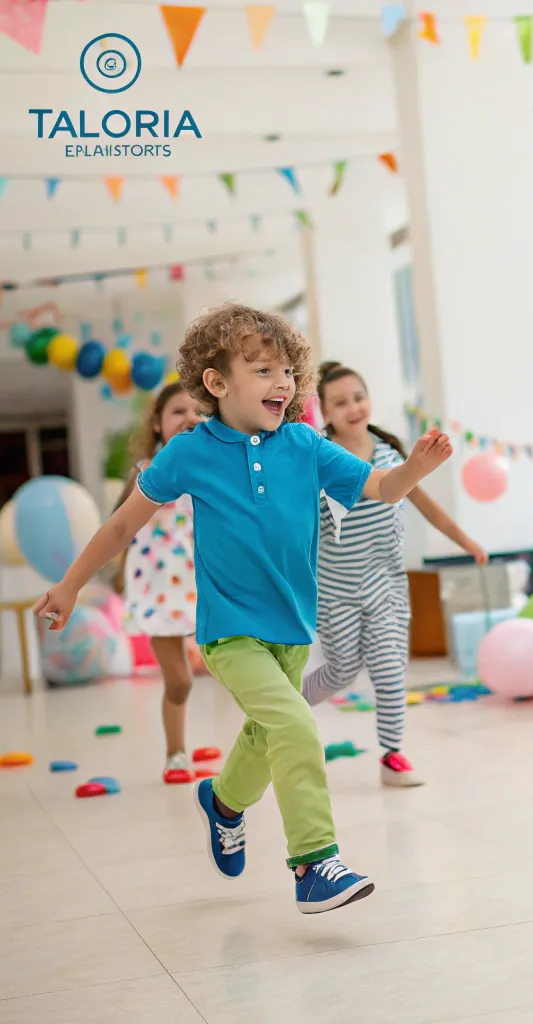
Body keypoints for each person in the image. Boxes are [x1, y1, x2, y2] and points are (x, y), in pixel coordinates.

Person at [34, 303, 453, 914]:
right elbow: (124, 524)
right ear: (217, 382)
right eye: (263, 370)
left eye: (287, 371)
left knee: (265, 732)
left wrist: (414, 468)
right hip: (229, 631)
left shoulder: (305, 444)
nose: (282, 382)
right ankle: (314, 863)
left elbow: (380, 489)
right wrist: (71, 585)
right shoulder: (188, 452)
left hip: (293, 629)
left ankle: (223, 802)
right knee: (295, 724)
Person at [302, 364, 487, 787]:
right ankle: (286, 709)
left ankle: (392, 755)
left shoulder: (389, 454)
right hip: (335, 589)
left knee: (389, 669)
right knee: (341, 670)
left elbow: (427, 506)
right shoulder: (321, 458)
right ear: (325, 412)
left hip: (384, 585)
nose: (353, 408)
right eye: (340, 402)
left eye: (359, 397)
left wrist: (466, 542)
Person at [115, 379, 205, 784]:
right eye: (178, 412)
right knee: (180, 680)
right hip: (159, 592)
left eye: (198, 411)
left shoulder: (212, 468)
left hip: (204, 584)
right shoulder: (146, 472)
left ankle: (260, 744)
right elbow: (119, 528)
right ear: (157, 423)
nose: (190, 418)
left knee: (241, 669)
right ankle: (176, 753)